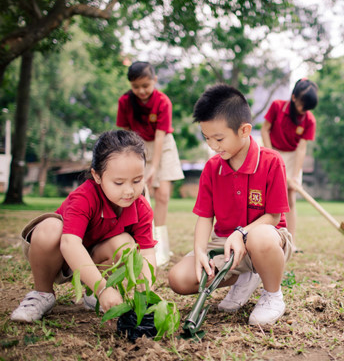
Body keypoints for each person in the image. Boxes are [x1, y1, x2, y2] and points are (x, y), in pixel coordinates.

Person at [168, 84, 293, 326]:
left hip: (267, 238)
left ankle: (272, 295)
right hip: (225, 246)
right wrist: (201, 252)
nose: (212, 146)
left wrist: (242, 232)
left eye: (219, 138)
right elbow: (205, 217)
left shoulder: (271, 162)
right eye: (206, 138)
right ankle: (243, 277)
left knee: (260, 239)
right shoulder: (212, 168)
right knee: (179, 279)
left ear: (244, 130)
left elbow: (274, 217)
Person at [11, 130, 157, 323]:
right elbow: (70, 244)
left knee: (126, 245)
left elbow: (146, 253)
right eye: (119, 182)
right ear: (97, 176)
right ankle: (42, 293)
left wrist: (147, 292)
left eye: (137, 181)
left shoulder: (141, 207)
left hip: (96, 257)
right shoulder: (84, 197)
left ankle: (92, 295)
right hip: (59, 256)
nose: (129, 191)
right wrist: (103, 288)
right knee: (49, 229)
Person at [116, 61, 184, 266]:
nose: (141, 91)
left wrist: (154, 166)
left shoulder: (163, 101)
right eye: (136, 86)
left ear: (154, 80)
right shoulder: (125, 101)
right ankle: (144, 243)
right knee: (142, 196)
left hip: (162, 145)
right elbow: (123, 132)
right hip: (136, 146)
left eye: (145, 85)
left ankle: (162, 246)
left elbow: (161, 137)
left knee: (162, 195)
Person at [260, 78, 318, 253]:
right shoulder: (277, 106)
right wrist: (272, 156)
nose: (304, 110)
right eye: (302, 105)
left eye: (307, 107)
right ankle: (265, 236)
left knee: (290, 196)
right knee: (268, 195)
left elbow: (301, 149)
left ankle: (290, 243)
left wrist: (294, 176)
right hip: (272, 150)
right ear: (294, 97)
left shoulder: (309, 120)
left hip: (292, 157)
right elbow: (265, 130)